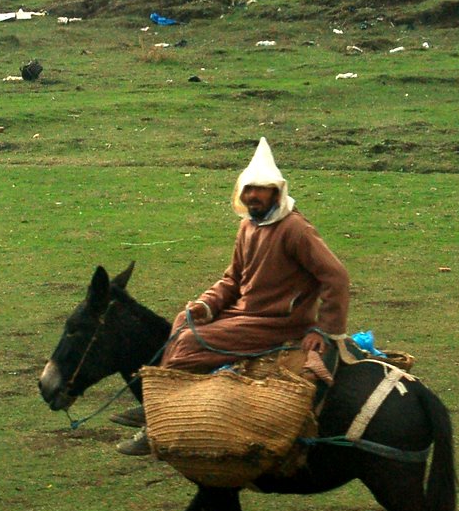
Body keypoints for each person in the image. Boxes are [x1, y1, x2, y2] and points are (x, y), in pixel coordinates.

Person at [117, 138, 351, 455]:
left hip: (278, 322)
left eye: (261, 189)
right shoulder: (248, 227)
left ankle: (159, 419)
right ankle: (161, 404)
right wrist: (206, 304)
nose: (253, 195)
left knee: (190, 343)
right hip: (246, 314)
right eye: (248, 189)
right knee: (183, 321)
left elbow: (336, 276)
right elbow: (233, 279)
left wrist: (323, 329)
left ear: (276, 192)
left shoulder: (295, 229)